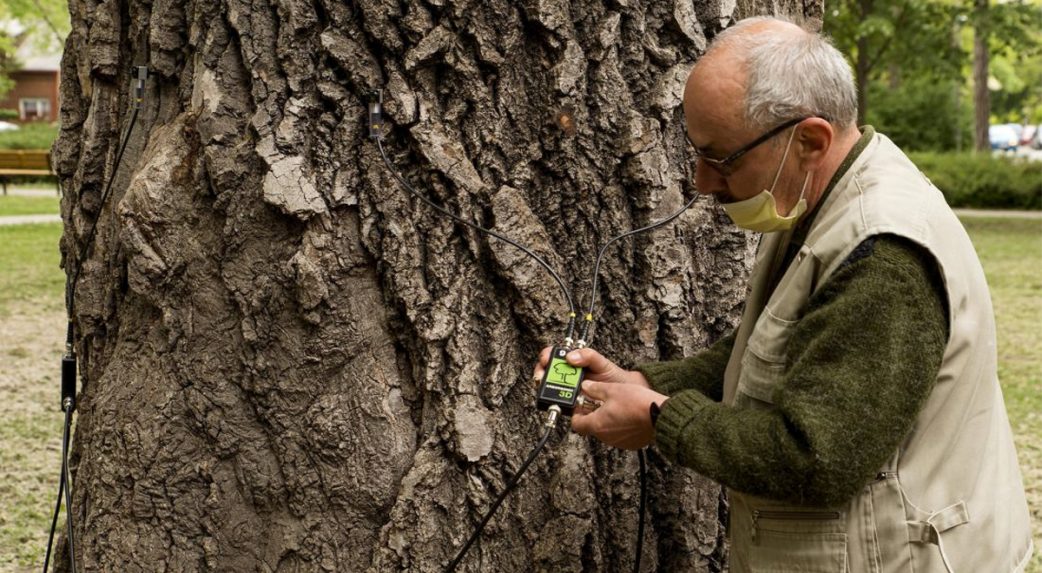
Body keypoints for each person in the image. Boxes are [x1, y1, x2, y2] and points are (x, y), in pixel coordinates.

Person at [535, 16, 1033, 572]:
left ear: (811, 140)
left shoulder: (884, 254)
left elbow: (816, 455)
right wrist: (648, 383)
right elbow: (785, 345)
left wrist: (659, 416)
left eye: (722, 159)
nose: (701, 182)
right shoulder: (825, 190)